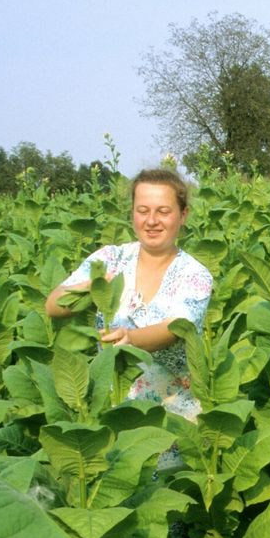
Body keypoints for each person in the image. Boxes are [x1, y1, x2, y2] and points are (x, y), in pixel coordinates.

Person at [46, 168, 213, 421]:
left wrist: (130, 338)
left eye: (163, 211)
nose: (152, 221)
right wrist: (90, 287)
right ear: (132, 213)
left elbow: (175, 328)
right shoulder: (111, 258)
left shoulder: (194, 274)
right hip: (112, 409)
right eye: (142, 211)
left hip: (173, 417)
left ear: (183, 215)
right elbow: (52, 306)